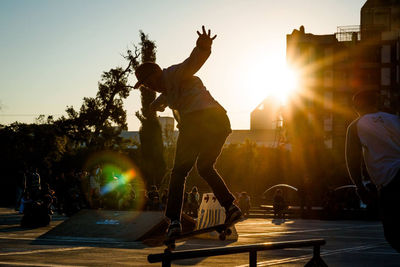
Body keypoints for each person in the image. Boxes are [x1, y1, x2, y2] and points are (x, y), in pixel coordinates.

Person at [134, 26, 242, 238]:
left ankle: (174, 220)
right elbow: (163, 99)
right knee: (204, 166)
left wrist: (203, 46)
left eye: (151, 82)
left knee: (179, 171)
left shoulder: (174, 73)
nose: (152, 87)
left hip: (199, 121)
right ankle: (231, 207)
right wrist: (153, 106)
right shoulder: (166, 91)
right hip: (219, 123)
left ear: (158, 73)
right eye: (147, 86)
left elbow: (191, 63)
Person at [345, 89, 400, 252]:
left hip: (391, 181)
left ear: (357, 105)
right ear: (376, 102)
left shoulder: (356, 125)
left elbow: (352, 160)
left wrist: (359, 187)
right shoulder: (395, 119)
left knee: (392, 233)